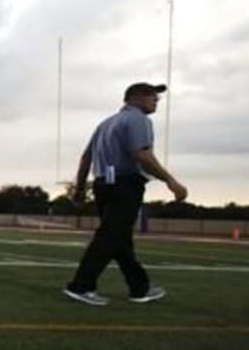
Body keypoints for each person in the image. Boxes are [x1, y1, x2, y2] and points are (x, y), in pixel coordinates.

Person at [63, 82, 188, 306]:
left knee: (120, 238)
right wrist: (170, 180)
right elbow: (141, 154)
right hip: (125, 184)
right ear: (136, 97)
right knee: (111, 236)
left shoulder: (105, 123)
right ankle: (81, 285)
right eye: (152, 96)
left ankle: (139, 288)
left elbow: (86, 158)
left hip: (103, 185)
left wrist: (80, 188)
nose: (156, 100)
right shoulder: (139, 120)